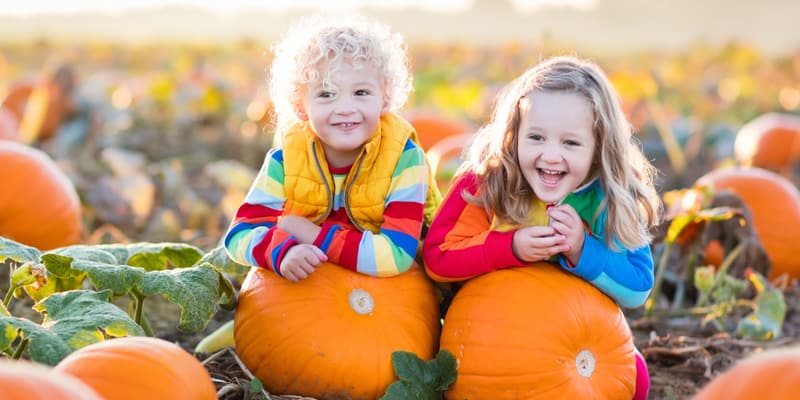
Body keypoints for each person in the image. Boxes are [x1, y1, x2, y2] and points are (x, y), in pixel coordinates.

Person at [422, 56, 662, 400]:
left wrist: (583, 250)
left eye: (570, 143)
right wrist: (511, 247)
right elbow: (437, 257)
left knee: (632, 380)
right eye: (536, 137)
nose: (550, 156)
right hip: (491, 339)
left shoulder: (608, 199)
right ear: (513, 134)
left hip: (574, 342)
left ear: (599, 147)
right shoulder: (488, 184)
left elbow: (638, 288)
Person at [224, 14, 441, 282]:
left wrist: (311, 234)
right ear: (300, 106)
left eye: (361, 93)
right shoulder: (286, 159)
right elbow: (239, 235)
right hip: (306, 295)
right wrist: (283, 251)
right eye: (326, 94)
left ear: (385, 98)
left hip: (388, 298)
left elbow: (396, 255)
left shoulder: (404, 158)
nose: (346, 108)